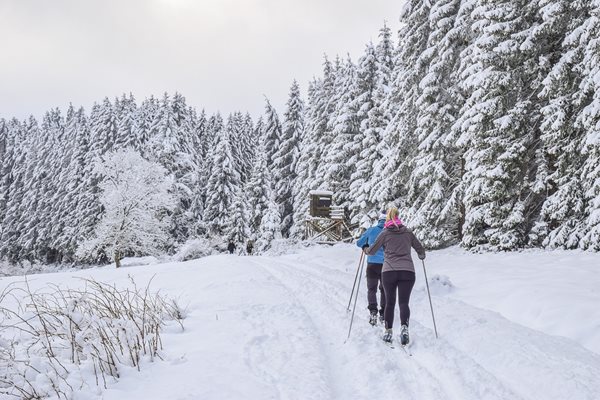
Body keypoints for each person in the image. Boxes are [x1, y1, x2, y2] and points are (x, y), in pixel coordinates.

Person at [364, 207, 425, 346]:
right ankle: (404, 327)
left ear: (387, 219)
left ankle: (388, 331)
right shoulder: (408, 233)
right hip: (408, 271)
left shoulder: (385, 233)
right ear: (398, 217)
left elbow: (372, 251)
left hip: (389, 271)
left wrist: (365, 248)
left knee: (390, 303)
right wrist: (421, 255)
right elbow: (420, 249)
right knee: (404, 303)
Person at [356, 210, 387, 326]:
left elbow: (359, 243)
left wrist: (365, 245)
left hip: (372, 264)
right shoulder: (390, 232)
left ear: (379, 220)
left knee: (372, 289)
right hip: (386, 265)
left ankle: (373, 312)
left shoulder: (372, 230)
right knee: (384, 290)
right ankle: (383, 313)